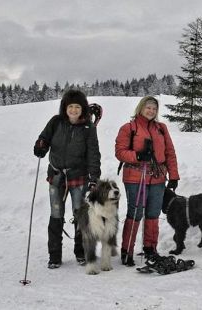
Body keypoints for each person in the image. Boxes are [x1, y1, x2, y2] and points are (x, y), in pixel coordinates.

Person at [33, 90, 101, 269]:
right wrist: (40, 146)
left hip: (78, 176)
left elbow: (93, 154)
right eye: (70, 106)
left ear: (82, 108)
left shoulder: (88, 128)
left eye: (77, 106)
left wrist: (94, 178)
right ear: (65, 107)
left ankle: (81, 252)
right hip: (56, 176)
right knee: (56, 214)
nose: (73, 110)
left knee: (80, 215)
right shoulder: (56, 122)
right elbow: (44, 138)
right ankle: (54, 255)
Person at [115, 96, 179, 266]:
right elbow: (120, 152)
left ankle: (150, 248)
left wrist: (173, 176)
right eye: (148, 107)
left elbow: (170, 153)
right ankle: (127, 250)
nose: (151, 111)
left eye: (154, 108)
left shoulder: (161, 129)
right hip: (136, 177)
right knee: (135, 213)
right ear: (141, 108)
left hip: (158, 178)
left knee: (153, 214)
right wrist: (137, 155)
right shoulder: (129, 128)